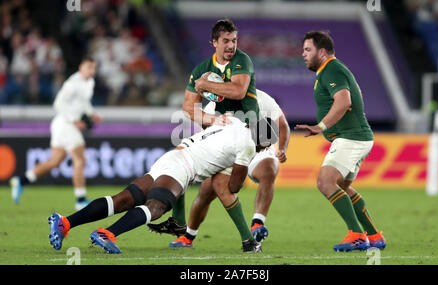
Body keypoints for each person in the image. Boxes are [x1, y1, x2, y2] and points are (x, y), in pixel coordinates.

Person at [48, 116, 276, 254]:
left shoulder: (234, 124)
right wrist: (241, 168)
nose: (264, 150)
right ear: (262, 141)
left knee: (122, 200)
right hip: (182, 167)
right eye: (266, 146)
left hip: (172, 157)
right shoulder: (247, 145)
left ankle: (66, 222)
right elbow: (234, 187)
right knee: (156, 207)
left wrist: (179, 219)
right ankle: (108, 233)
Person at [148, 89, 290, 247]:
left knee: (267, 172)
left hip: (259, 145)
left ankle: (257, 222)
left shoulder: (262, 98)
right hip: (227, 149)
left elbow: (282, 125)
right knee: (206, 193)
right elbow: (205, 125)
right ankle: (188, 236)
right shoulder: (217, 101)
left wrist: (281, 149)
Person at [167, 19, 261, 244]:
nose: (231, 46)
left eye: (234, 40)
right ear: (214, 42)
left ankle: (179, 224)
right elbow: (188, 108)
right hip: (222, 132)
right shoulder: (201, 70)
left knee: (180, 159)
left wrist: (205, 85)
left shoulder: (241, 61)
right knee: (215, 187)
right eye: (226, 41)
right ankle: (247, 242)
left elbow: (238, 91)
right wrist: (212, 119)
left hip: (244, 130)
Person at [294, 31, 386, 252]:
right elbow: (357, 94)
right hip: (355, 136)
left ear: (322, 52)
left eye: (308, 50)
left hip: (351, 138)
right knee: (343, 186)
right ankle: (374, 235)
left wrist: (321, 126)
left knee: (325, 183)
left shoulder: (331, 69)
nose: (303, 54)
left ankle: (356, 235)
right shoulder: (332, 70)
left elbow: (344, 101)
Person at [10, 57, 102, 210]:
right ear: (81, 67)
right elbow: (58, 104)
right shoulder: (72, 84)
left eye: (93, 68)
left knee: (55, 161)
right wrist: (74, 120)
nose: (91, 70)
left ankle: (22, 181)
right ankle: (80, 199)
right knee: (79, 160)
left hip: (60, 125)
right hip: (66, 124)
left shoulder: (89, 82)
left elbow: (83, 103)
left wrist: (92, 113)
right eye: (88, 67)